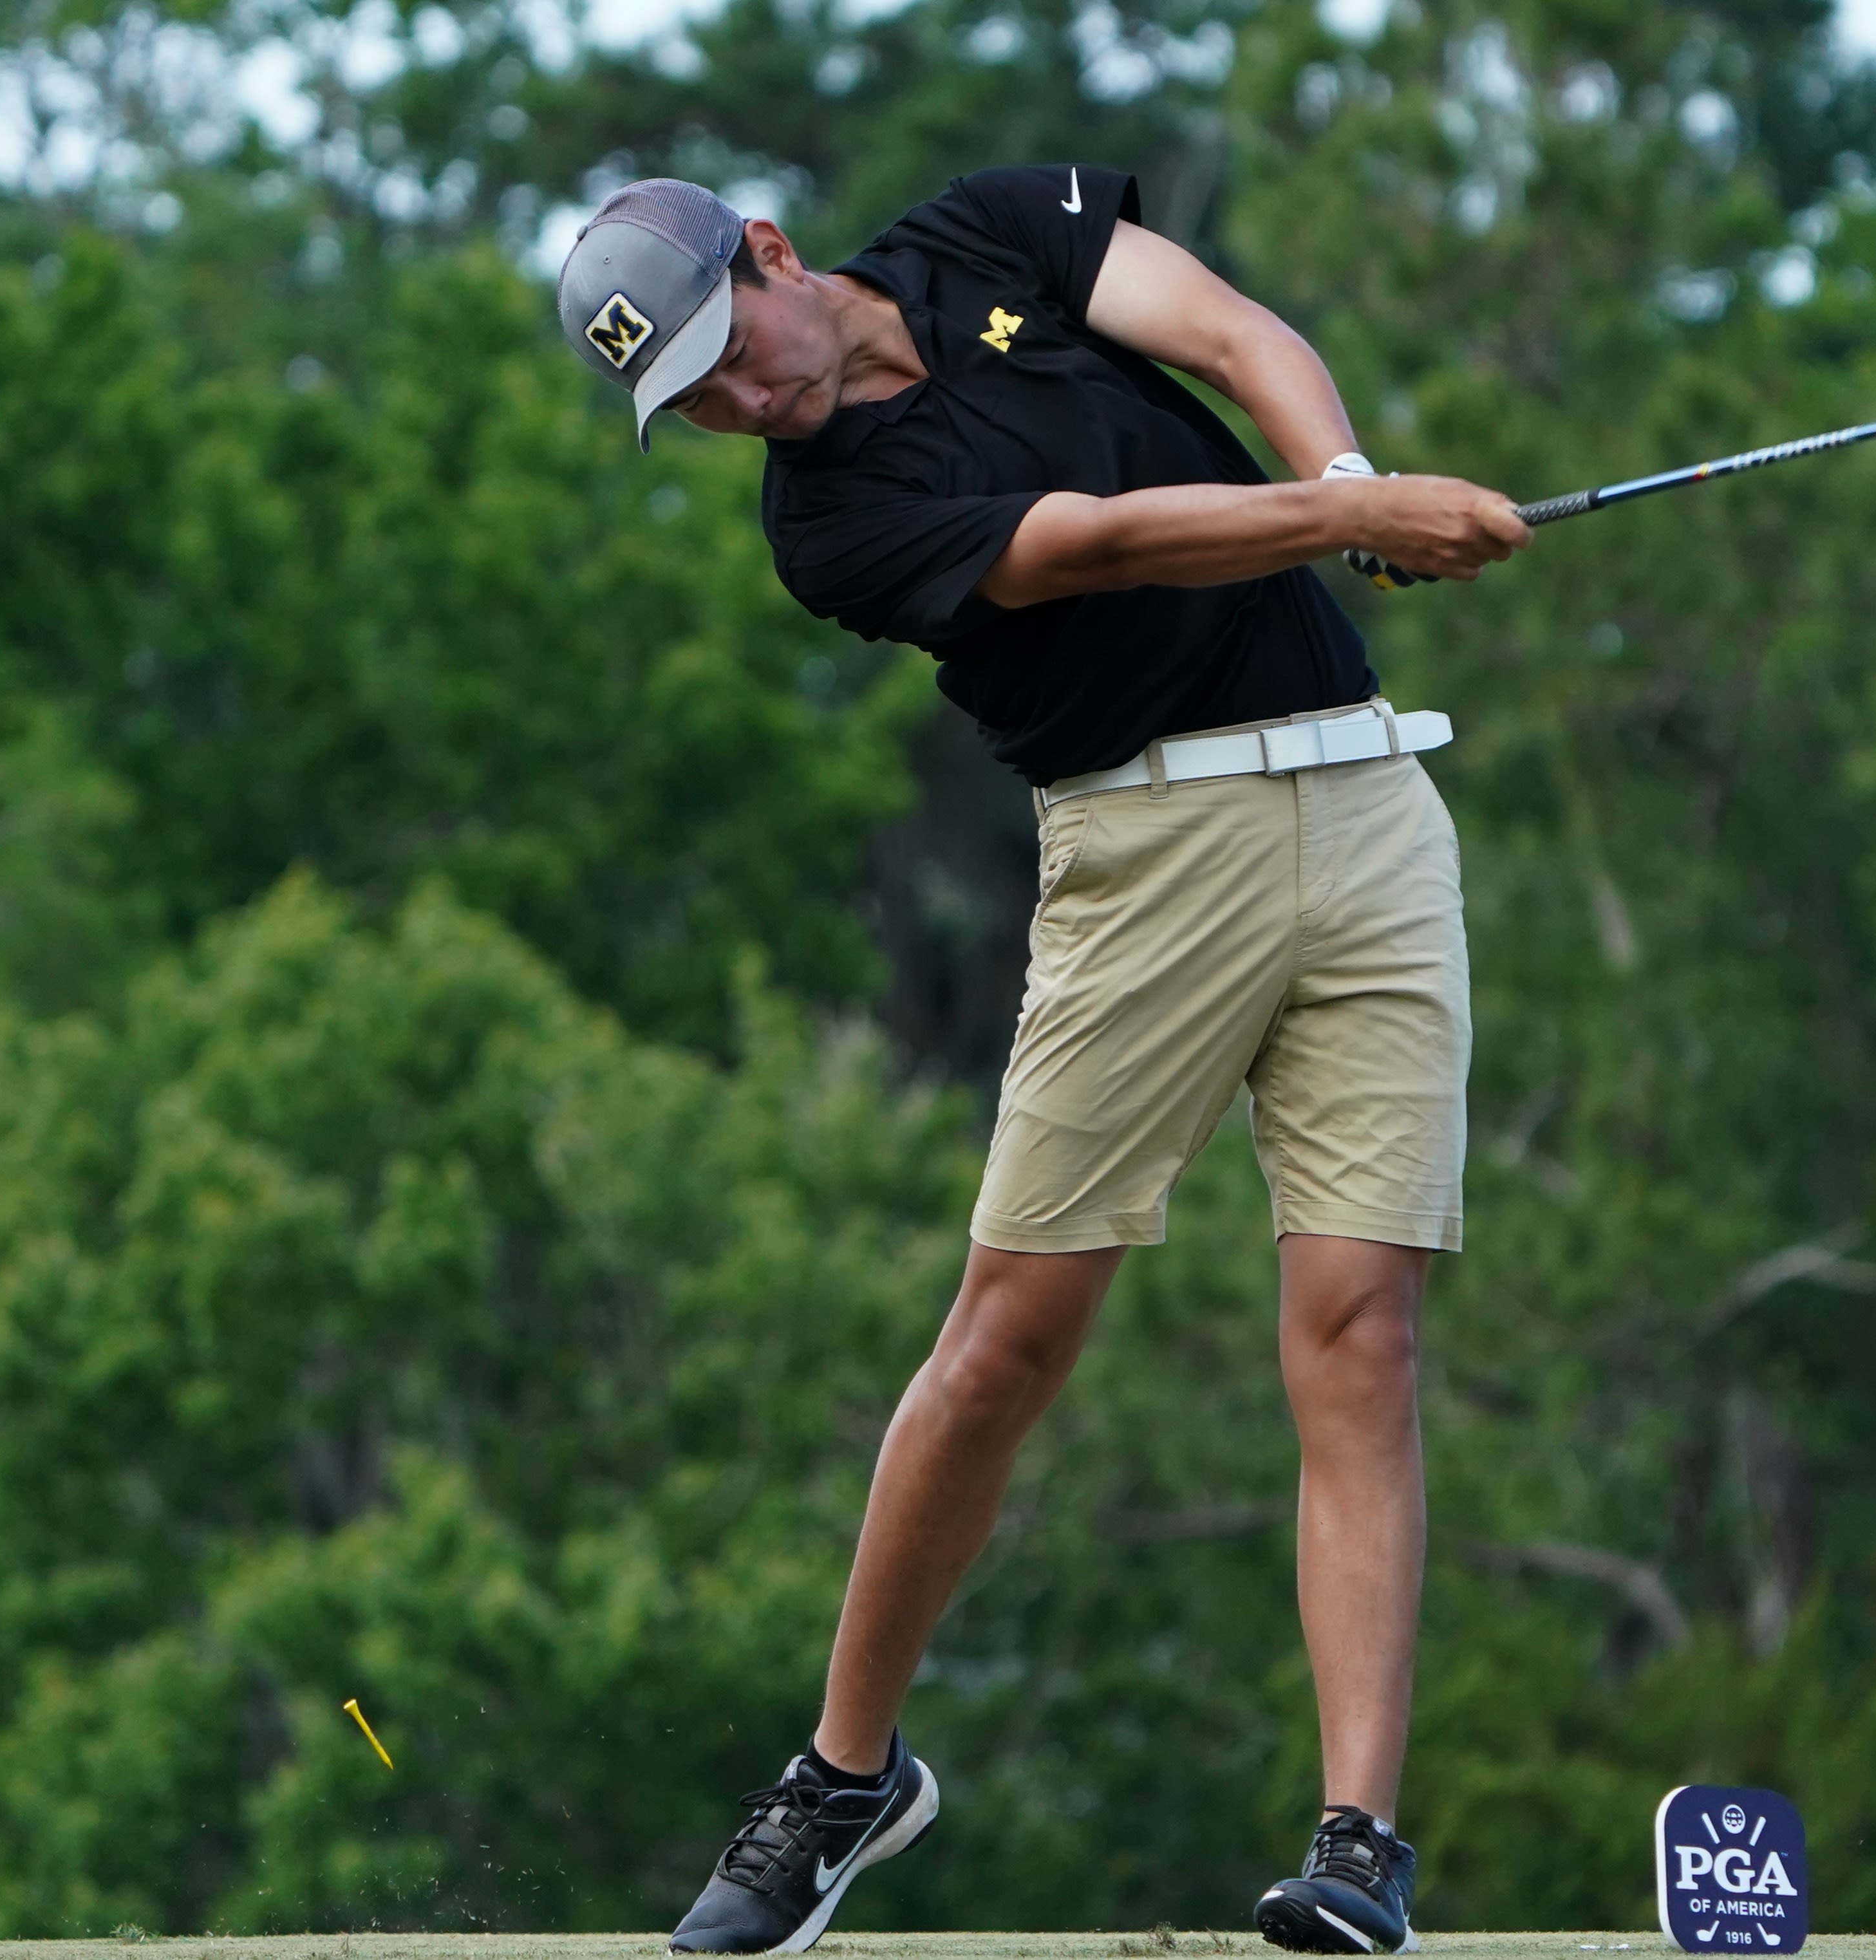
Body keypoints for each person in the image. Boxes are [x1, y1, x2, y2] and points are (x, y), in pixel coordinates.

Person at [554, 166, 1528, 1958]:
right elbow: (1098, 538)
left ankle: (1359, 1842)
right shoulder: (827, 524)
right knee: (1009, 1338)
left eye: (729, 355)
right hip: (1143, 861)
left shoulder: (986, 235)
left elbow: (1232, 334)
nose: (733, 406)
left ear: (769, 253)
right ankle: (851, 1775)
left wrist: (1340, 482)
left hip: (1374, 808)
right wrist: (1356, 518)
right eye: (688, 401)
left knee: (1360, 1323)